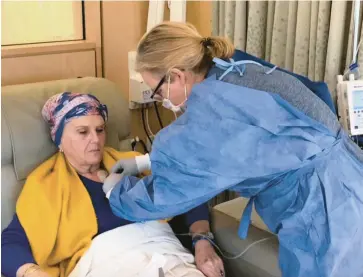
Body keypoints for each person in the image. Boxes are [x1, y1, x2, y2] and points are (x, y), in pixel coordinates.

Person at [104, 22, 363, 277]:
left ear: (177, 75)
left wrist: (116, 192)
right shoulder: (235, 67)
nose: (161, 101)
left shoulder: (211, 113)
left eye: (158, 92)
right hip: (350, 171)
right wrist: (146, 162)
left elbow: (166, 194)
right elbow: (305, 100)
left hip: (326, 210)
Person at [1, 92, 224, 277]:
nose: (95, 139)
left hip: (171, 261)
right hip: (109, 266)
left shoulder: (132, 163)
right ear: (59, 139)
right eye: (82, 132)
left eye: (99, 130)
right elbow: (9, 244)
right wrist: (32, 272)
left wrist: (201, 239)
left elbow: (187, 193)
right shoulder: (45, 184)